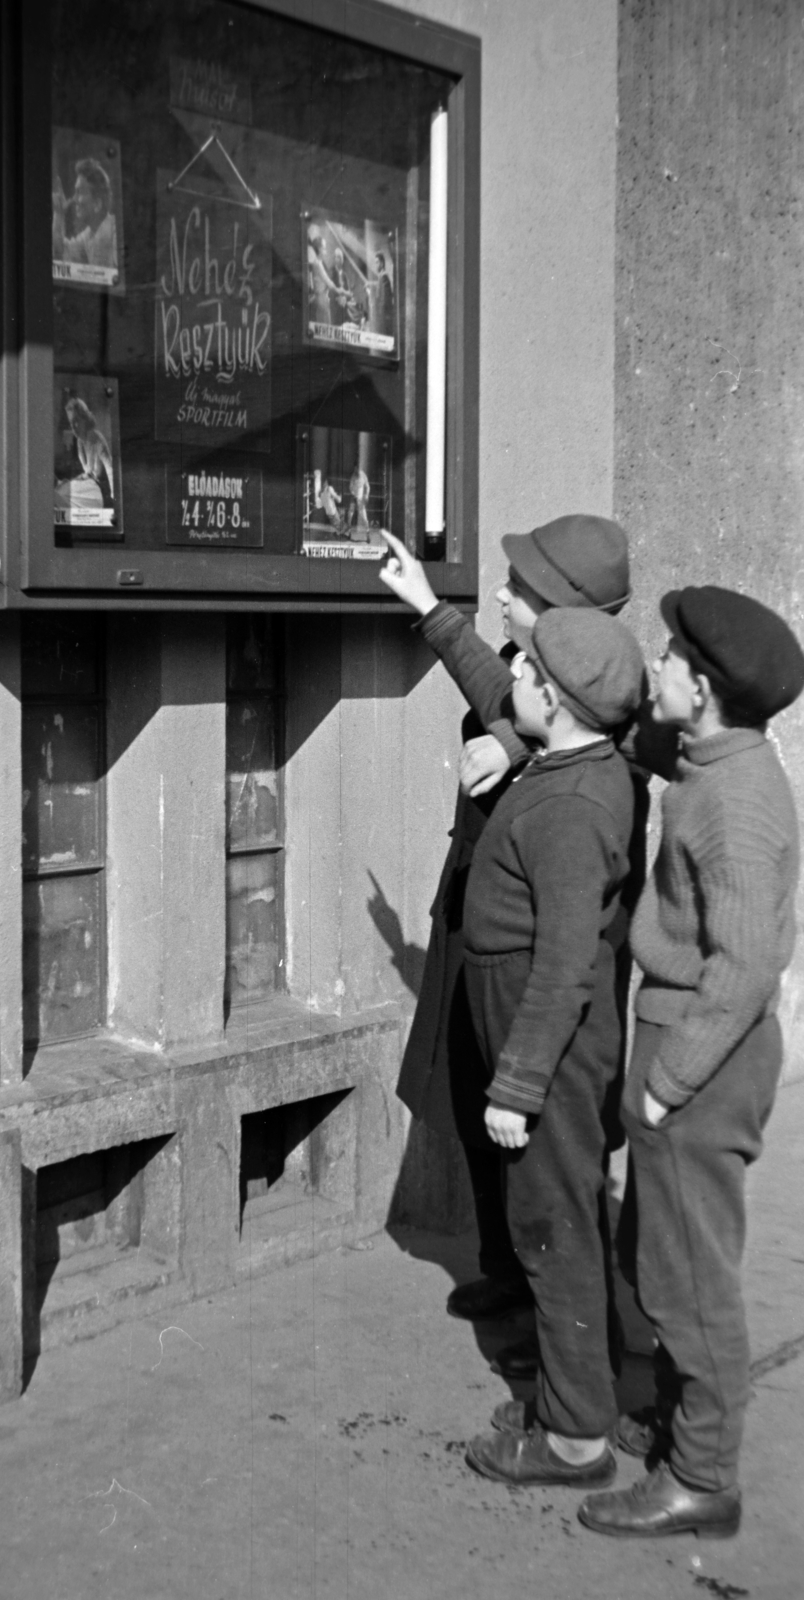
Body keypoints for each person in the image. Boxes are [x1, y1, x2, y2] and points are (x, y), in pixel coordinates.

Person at [381, 518, 660, 1388]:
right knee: (482, 1117)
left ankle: (575, 1384)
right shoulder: (558, 700)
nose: (501, 596)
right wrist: (431, 610)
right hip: (500, 953)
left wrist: (510, 738)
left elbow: (565, 741)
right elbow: (513, 696)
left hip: (546, 978)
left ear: (571, 619)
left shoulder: (601, 736)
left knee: (549, 1180)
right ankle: (516, 1288)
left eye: (521, 590)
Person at [577, 586, 804, 1539]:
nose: (653, 668)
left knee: (688, 1278)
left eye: (667, 660)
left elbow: (747, 965)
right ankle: (677, 1423)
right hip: (682, 1036)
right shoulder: (714, 754)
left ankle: (702, 1478)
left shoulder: (737, 802)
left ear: (702, 688)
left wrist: (666, 1090)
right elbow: (633, 732)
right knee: (658, 1253)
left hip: (700, 1055)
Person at [424, 602, 643, 1486]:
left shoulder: (570, 808)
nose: (509, 677)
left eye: (524, 674)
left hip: (540, 1030)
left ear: (550, 701)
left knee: (551, 1231)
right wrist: (433, 618)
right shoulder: (571, 760)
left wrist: (515, 1088)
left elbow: (560, 968)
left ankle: (576, 1439)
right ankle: (569, 1395)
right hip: (529, 1019)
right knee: (559, 1220)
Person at [53, 157, 117, 272]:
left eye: (80, 192)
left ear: (97, 203)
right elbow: (60, 252)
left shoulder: (115, 235)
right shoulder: (89, 235)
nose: (74, 199)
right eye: (75, 192)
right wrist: (59, 214)